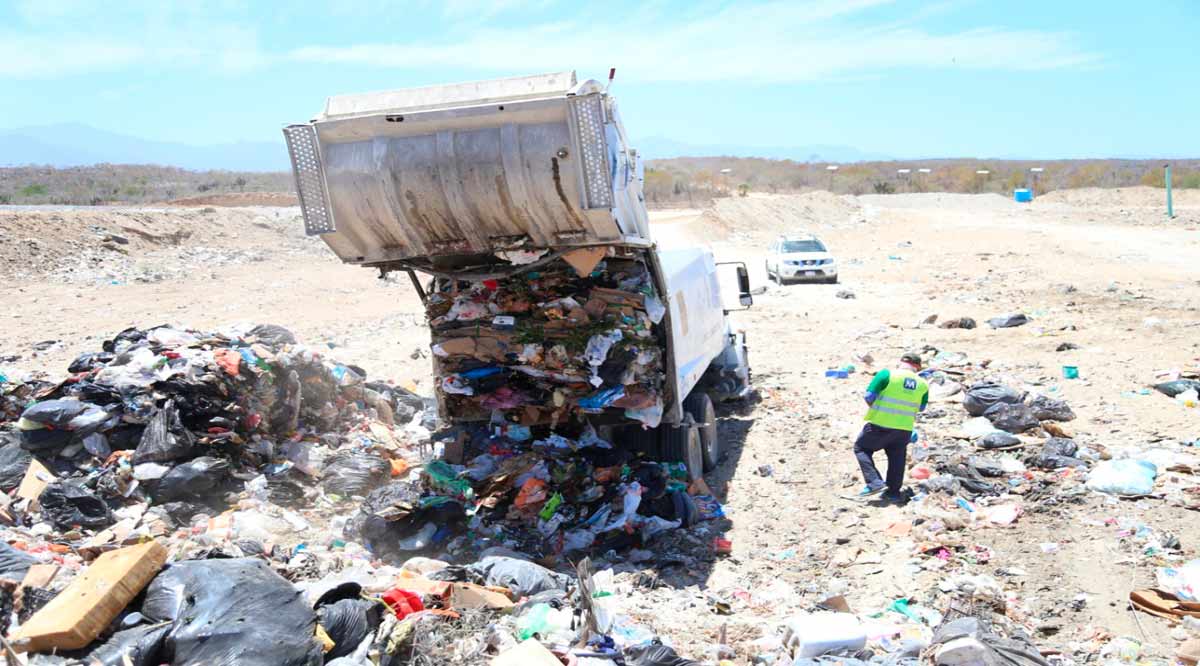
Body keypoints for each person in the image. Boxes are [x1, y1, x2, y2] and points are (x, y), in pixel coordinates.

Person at [852, 352, 929, 503]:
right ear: (918, 367)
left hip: (880, 423)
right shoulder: (923, 384)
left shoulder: (887, 374)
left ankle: (874, 483)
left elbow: (868, 396)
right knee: (897, 457)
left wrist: (877, 408)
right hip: (904, 428)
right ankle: (893, 493)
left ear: (901, 362)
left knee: (861, 448)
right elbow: (921, 408)